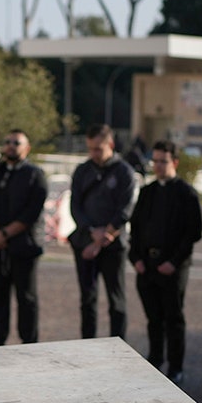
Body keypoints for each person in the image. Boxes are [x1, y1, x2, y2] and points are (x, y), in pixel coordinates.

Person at [127, 140, 202, 385]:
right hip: (146, 266)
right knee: (153, 318)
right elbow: (135, 228)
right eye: (155, 161)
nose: (158, 166)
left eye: (163, 161)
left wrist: (174, 262)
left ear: (175, 162)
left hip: (173, 267)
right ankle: (155, 360)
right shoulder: (147, 192)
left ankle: (176, 366)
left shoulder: (186, 194)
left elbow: (193, 232)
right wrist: (136, 259)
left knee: (173, 317)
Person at [0, 129, 48, 346]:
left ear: (27, 148)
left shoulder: (35, 174)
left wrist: (5, 233)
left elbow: (31, 213)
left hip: (23, 247)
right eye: (7, 142)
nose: (11, 146)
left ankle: (29, 343)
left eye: (16, 142)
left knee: (26, 298)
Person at [69, 123, 137, 339]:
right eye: (90, 148)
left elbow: (125, 210)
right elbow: (75, 207)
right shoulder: (82, 170)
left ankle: (120, 346)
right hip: (85, 241)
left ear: (111, 145)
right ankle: (87, 346)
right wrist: (90, 231)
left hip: (113, 244)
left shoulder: (124, 171)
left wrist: (103, 237)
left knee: (116, 300)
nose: (94, 153)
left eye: (98, 148)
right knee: (87, 299)